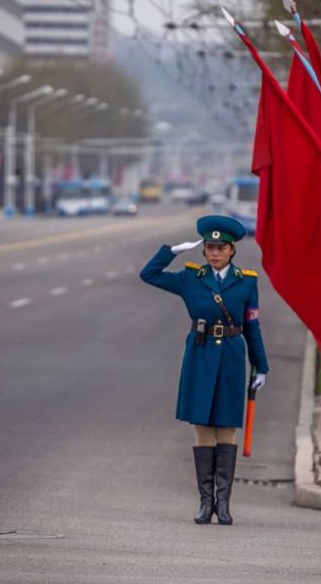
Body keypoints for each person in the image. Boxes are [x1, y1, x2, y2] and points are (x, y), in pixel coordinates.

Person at [139, 215, 269, 525]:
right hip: (199, 355)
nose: (214, 252)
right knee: (203, 429)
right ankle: (204, 503)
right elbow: (149, 274)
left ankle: (223, 504)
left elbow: (252, 326)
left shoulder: (247, 281)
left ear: (232, 250)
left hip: (232, 358)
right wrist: (171, 250)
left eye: (220, 247)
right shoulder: (190, 278)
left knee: (226, 428)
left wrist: (261, 366)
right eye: (209, 247)